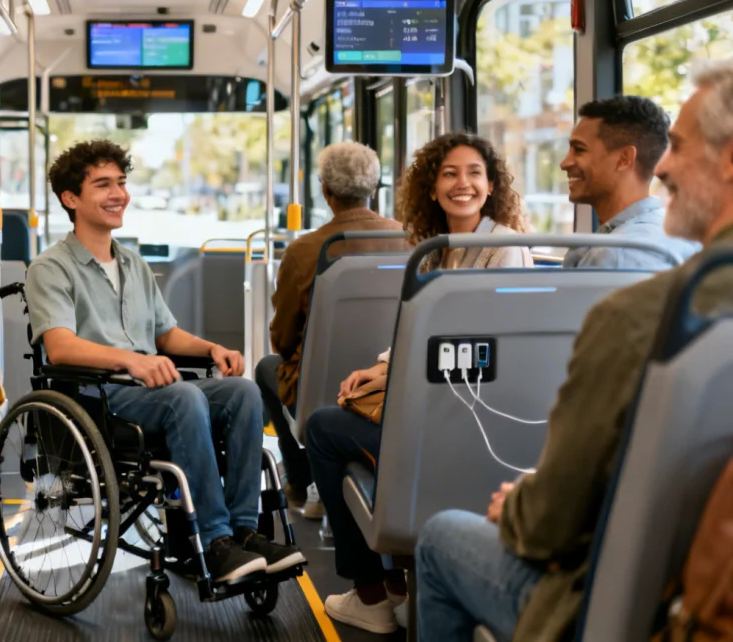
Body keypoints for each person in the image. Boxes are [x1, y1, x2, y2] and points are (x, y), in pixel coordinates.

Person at [415, 60, 733, 642]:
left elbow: (551, 524)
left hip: (627, 594)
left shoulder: (633, 305)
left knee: (439, 534)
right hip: (684, 562)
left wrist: (517, 505)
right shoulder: (672, 274)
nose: (664, 167)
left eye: (679, 149)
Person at [25, 139, 306, 583]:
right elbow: (59, 347)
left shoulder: (132, 263)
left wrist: (211, 349)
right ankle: (215, 542)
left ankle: (245, 533)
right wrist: (132, 362)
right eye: (103, 185)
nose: (119, 193)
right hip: (99, 396)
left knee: (245, 392)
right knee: (183, 399)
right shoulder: (50, 267)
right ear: (71, 199)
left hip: (152, 391)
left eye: (120, 182)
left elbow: (165, 334)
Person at [308, 132, 533, 634]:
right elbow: (420, 334)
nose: (463, 184)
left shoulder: (502, 251)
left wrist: (404, 378)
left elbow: (487, 350)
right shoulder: (435, 253)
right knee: (341, 415)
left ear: (492, 185)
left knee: (323, 430)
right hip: (440, 403)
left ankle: (372, 594)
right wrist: (381, 369)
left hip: (466, 418)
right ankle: (395, 583)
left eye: (474, 173)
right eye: (449, 174)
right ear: (432, 188)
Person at [260, 141, 407, 520]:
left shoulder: (304, 251)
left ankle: (298, 477)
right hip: (390, 383)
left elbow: (284, 338)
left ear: (325, 190)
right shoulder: (413, 242)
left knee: (266, 367)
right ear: (374, 187)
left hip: (322, 390)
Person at [559, 95, 699, 269]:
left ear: (624, 159)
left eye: (579, 150)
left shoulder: (619, 255)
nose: (564, 163)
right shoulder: (676, 232)